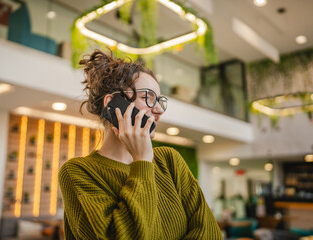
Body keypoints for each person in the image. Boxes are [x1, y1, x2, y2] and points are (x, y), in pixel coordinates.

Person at [59, 50, 223, 239]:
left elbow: (211, 233)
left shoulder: (169, 161)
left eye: (160, 101)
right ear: (113, 104)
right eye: (148, 97)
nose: (159, 110)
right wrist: (143, 161)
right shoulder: (78, 172)